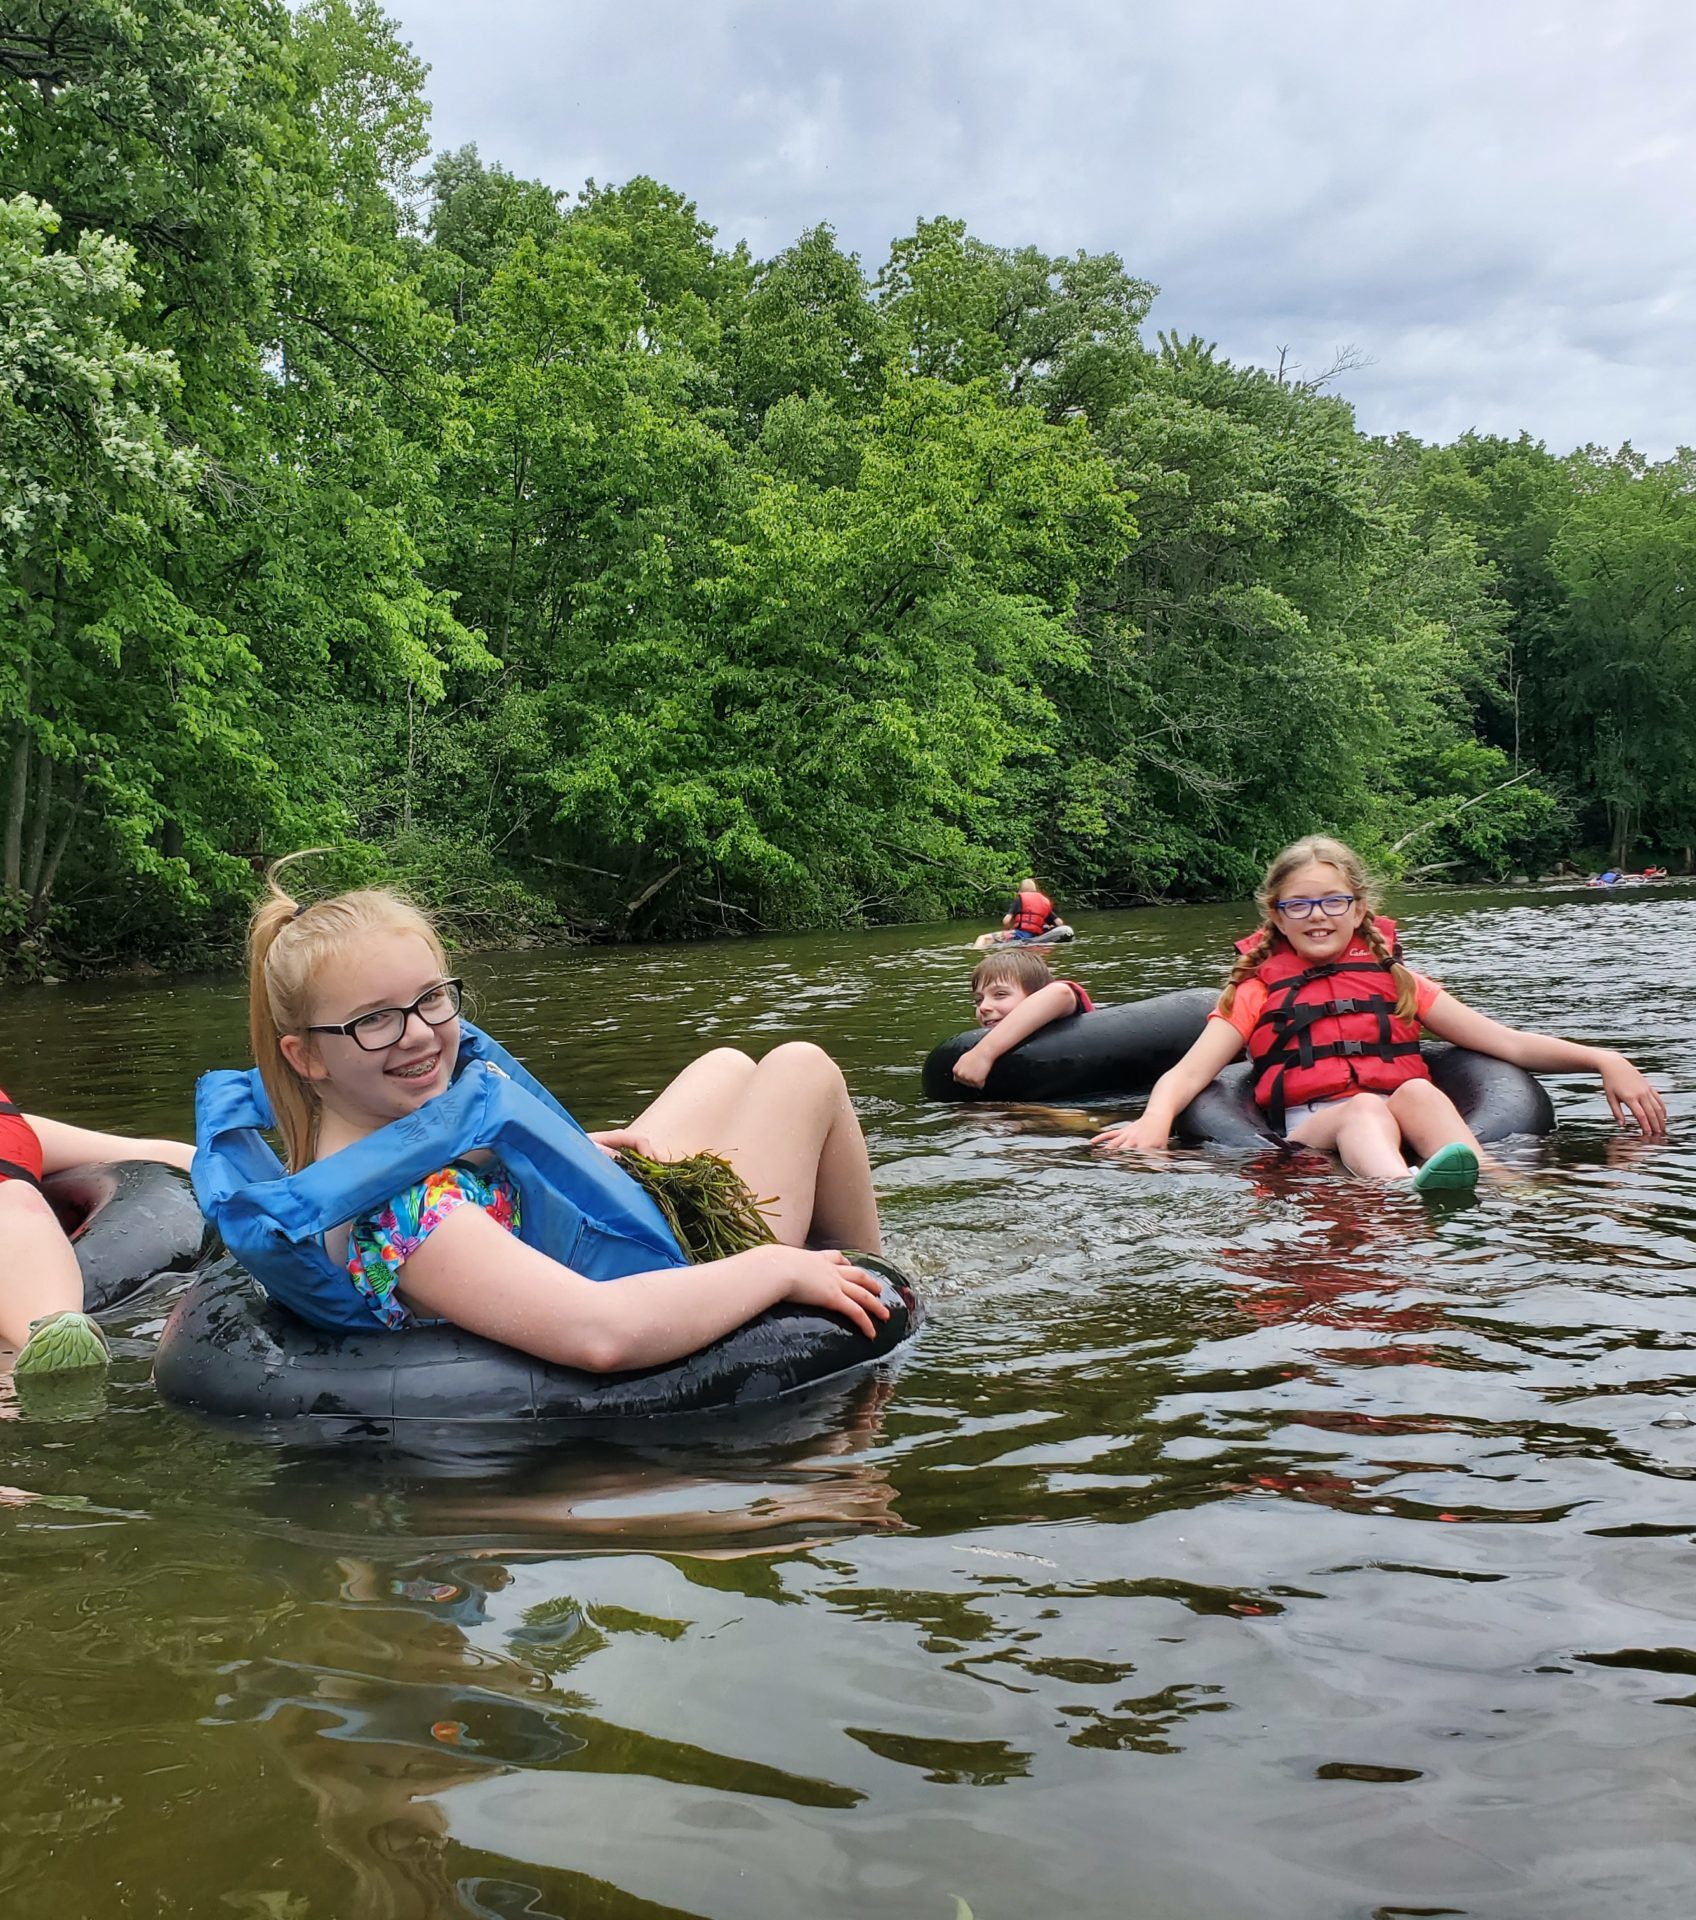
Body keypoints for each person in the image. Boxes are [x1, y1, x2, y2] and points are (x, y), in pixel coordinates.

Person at [210, 860, 889, 1367]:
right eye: (375, 1021)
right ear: (307, 1059)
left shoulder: (364, 1139)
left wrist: (553, 1156)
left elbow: (453, 1168)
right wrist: (778, 1268)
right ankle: (884, 1290)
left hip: (601, 1224)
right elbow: (603, 1335)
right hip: (669, 1265)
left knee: (728, 1066)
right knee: (804, 1068)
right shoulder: (409, 1220)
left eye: (430, 1000)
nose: (417, 1034)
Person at [1091, 835, 1666, 1189]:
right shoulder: (1257, 989)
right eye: (1299, 904)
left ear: (1359, 907)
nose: (1318, 916)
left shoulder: (1397, 981)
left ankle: (1493, 1179)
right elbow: (1191, 1073)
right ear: (1277, 915)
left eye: (1333, 901)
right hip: (1315, 1129)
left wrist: (1602, 1058)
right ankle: (1401, 1188)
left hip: (1400, 1115)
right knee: (1365, 1106)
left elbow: (1507, 1043)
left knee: (1415, 1093)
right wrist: (1154, 1122)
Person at [1, 1102, 193, 1376]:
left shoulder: (17, 1131)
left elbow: (149, 1153)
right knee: (17, 1198)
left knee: (16, 1198)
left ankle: (53, 1337)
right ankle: (43, 1338)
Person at [952, 948, 1092, 1088]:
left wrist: (982, 1054)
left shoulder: (1063, 1006)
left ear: (1036, 995)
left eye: (1000, 994)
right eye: (979, 1000)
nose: (983, 1007)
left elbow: (1061, 993)